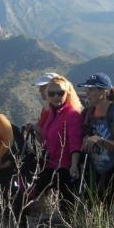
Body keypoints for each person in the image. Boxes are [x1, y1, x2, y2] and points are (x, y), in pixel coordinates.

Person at [77, 73, 114, 202]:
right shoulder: (90, 112)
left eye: (91, 89)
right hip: (94, 172)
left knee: (109, 209)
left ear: (105, 91)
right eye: (86, 89)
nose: (87, 92)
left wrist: (99, 140)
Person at [35, 75, 84, 210]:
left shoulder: (72, 114)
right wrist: (36, 130)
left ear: (67, 94)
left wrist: (74, 165)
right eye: (52, 93)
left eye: (60, 93)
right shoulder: (52, 113)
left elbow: (75, 142)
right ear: (48, 95)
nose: (56, 96)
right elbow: (46, 141)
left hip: (65, 168)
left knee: (67, 206)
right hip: (51, 165)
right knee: (34, 196)